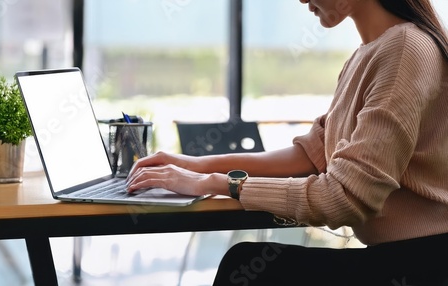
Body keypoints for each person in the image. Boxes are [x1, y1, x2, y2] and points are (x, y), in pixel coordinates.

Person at [127, 0, 448, 284]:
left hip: (421, 264)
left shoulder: (404, 50)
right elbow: (315, 153)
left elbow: (345, 198)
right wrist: (193, 165)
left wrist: (218, 183)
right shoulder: (369, 53)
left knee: (246, 268)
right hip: (400, 257)